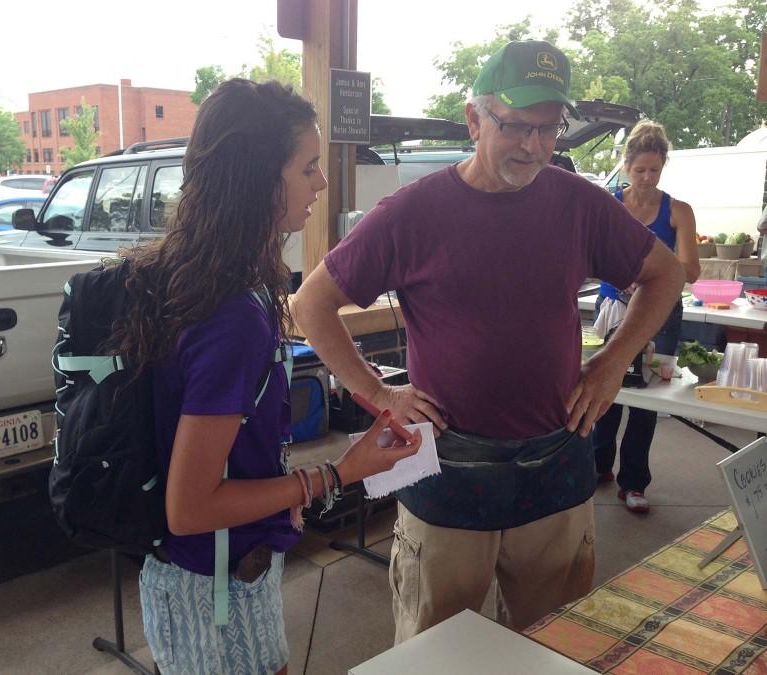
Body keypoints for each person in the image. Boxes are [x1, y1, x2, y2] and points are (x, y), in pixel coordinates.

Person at [292, 40, 685, 640]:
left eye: (548, 129)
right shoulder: (414, 212)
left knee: (556, 645)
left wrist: (610, 364)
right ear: (475, 119)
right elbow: (310, 305)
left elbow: (666, 275)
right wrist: (379, 394)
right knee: (438, 655)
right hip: (448, 479)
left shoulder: (579, 203)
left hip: (557, 471)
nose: (534, 146)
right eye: (517, 126)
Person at [111, 79, 421, 674]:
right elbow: (191, 506)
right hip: (214, 587)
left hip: (210, 572)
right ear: (258, 180)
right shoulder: (232, 317)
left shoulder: (191, 277)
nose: (322, 184)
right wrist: (337, 473)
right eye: (308, 167)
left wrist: (277, 497)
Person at [592, 121, 700, 514]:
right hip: (614, 306)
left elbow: (691, 269)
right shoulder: (611, 205)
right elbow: (592, 256)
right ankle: (598, 465)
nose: (647, 178)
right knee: (606, 384)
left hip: (660, 311)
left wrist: (652, 276)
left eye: (654, 170)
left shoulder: (677, 211)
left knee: (647, 397)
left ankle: (634, 482)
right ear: (626, 167)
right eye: (640, 170)